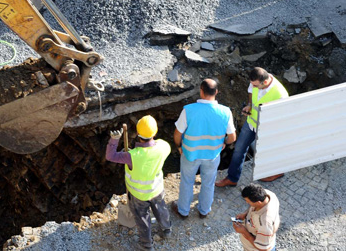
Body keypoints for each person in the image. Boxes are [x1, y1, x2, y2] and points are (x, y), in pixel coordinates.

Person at [171, 79, 236, 219]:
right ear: (216, 92)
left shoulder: (188, 110)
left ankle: (183, 211)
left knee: (187, 182)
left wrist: (179, 146)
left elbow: (177, 134)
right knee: (208, 183)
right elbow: (232, 137)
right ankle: (204, 210)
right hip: (212, 155)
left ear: (201, 91)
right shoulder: (225, 112)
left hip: (190, 155)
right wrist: (223, 143)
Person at [106, 115, 171, 251]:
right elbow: (150, 153)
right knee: (161, 209)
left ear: (137, 133)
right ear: (155, 132)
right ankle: (166, 229)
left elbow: (110, 156)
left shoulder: (131, 156)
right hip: (157, 189)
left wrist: (114, 140)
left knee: (142, 219)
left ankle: (147, 246)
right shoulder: (164, 146)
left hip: (138, 195)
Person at [216, 67, 289, 187]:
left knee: (269, 151)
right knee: (239, 149)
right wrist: (249, 105)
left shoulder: (280, 95)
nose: (253, 87)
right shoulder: (256, 83)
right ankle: (232, 178)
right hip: (251, 123)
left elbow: (282, 116)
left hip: (268, 128)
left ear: (264, 82)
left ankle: (276, 172)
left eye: (255, 85)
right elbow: (251, 91)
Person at [233, 183, 280, 251]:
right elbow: (253, 206)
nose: (246, 203)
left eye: (248, 201)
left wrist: (244, 231)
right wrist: (245, 214)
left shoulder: (265, 224)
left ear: (258, 203)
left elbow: (263, 248)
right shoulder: (268, 194)